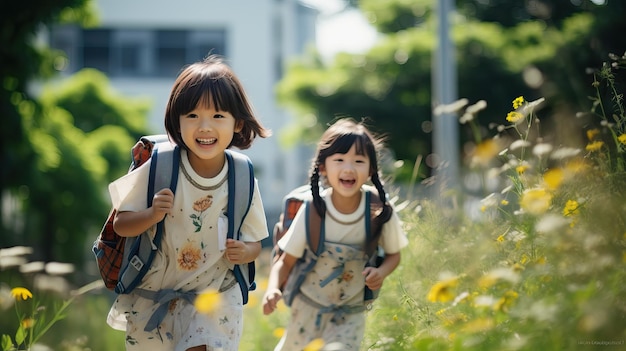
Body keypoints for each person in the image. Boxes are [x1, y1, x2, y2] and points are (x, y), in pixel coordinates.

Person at [106, 54, 271, 351]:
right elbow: (121, 224)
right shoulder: (161, 167)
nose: (205, 127)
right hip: (152, 295)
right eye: (192, 116)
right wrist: (152, 214)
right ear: (176, 122)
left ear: (237, 123)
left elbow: (256, 241)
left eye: (218, 116)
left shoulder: (242, 175)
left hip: (215, 295)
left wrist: (244, 251)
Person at [262, 118, 408, 350]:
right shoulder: (313, 209)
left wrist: (381, 272)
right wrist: (272, 289)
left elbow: (394, 254)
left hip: (349, 314)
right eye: (339, 160)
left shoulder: (378, 208)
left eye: (358, 161)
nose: (348, 168)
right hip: (307, 309)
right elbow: (285, 261)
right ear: (323, 167)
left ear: (371, 169)